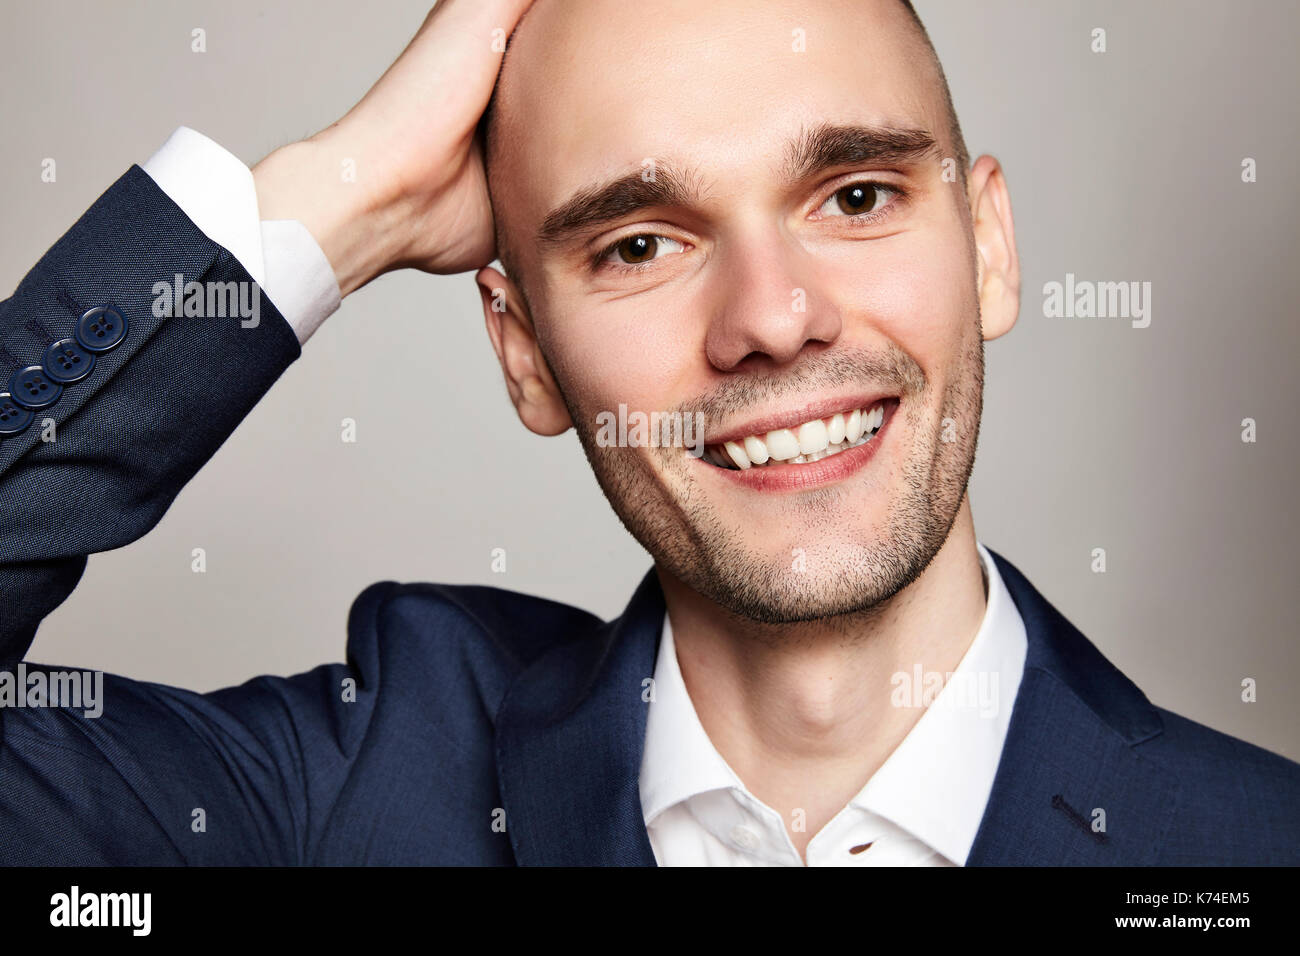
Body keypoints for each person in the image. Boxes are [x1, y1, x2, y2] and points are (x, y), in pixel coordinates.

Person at [1, 0, 1296, 866]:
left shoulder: (1251, 847)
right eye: (640, 243)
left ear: (990, 247)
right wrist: (337, 205)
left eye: (854, 194)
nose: (774, 319)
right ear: (526, 356)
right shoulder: (358, 794)